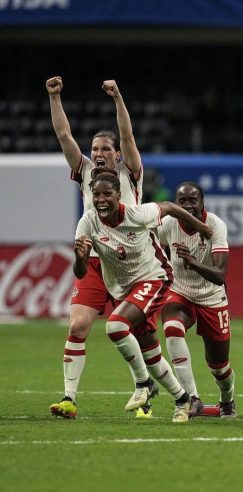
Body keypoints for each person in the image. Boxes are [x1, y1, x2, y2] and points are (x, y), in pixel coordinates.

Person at [73, 169, 213, 422]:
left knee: (115, 326)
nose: (101, 199)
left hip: (154, 278)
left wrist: (201, 226)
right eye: (96, 194)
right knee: (151, 353)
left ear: (119, 196)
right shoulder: (88, 222)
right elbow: (80, 272)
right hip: (124, 289)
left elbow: (170, 207)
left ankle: (143, 384)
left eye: (107, 194)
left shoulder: (137, 214)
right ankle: (183, 400)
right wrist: (80, 259)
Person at [46, 76, 145, 419]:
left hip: (133, 262)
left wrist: (118, 96)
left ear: (117, 154)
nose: (99, 154)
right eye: (96, 148)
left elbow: (129, 135)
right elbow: (63, 135)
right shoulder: (85, 171)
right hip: (95, 259)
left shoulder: (129, 172)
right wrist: (55, 97)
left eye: (106, 149)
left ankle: (143, 393)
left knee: (139, 334)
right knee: (77, 326)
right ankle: (69, 397)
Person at [159, 182, 236, 418]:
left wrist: (193, 263)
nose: (188, 205)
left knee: (219, 366)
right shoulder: (167, 225)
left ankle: (227, 400)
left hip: (211, 298)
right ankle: (192, 398)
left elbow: (220, 276)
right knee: (172, 328)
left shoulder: (214, 225)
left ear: (202, 203)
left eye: (193, 200)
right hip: (180, 292)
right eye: (182, 201)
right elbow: (157, 250)